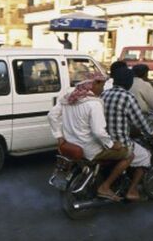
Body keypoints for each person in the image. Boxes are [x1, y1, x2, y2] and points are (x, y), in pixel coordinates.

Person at [49, 73, 132, 201]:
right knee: (128, 154)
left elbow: (52, 116)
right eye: (102, 85)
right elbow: (99, 132)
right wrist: (112, 144)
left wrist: (59, 136)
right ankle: (105, 187)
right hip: (90, 148)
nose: (103, 89)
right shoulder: (94, 104)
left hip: (71, 143)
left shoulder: (68, 98)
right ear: (94, 84)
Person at [101, 68, 153, 201]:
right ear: (128, 83)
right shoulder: (127, 97)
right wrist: (152, 133)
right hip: (120, 142)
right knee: (146, 156)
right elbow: (140, 121)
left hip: (103, 141)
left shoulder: (104, 94)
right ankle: (132, 190)